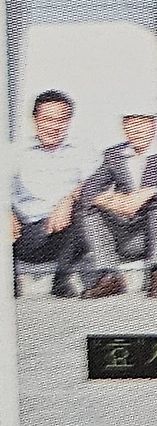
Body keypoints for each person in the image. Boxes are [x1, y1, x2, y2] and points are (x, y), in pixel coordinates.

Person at [78, 108, 157, 297]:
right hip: (127, 233)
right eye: (131, 124)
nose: (138, 130)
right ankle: (110, 277)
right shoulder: (114, 154)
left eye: (143, 123)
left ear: (154, 124)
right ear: (124, 127)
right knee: (89, 211)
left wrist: (147, 193)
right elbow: (88, 190)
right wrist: (112, 202)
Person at [10, 89, 98, 295]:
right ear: (35, 120)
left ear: (69, 122)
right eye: (47, 119)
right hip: (26, 233)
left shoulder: (82, 149)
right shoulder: (16, 153)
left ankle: (62, 281)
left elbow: (98, 181)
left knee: (86, 213)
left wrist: (69, 199)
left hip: (66, 232)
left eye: (61, 120)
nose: (54, 126)